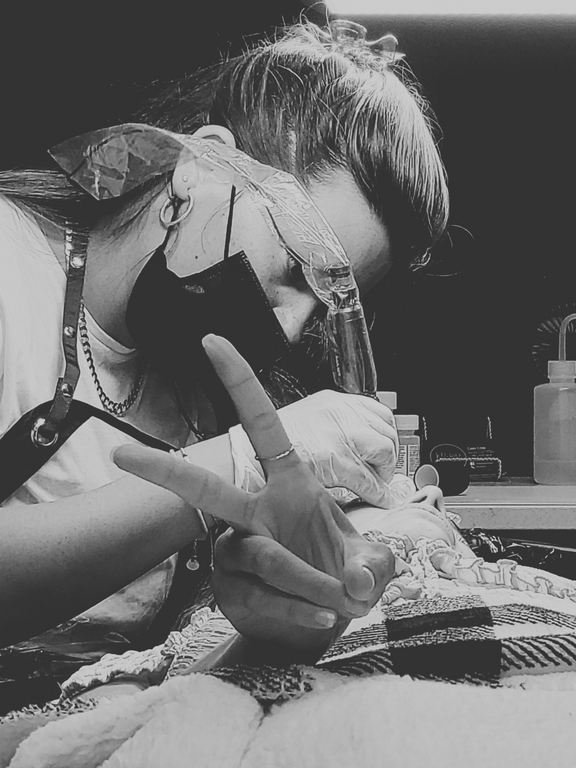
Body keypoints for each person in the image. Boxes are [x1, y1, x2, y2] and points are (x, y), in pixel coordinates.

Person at [0, 19, 448, 708]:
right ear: (202, 166)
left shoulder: (204, 394)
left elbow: (146, 673)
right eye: (295, 270)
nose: (292, 327)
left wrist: (270, 627)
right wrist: (224, 471)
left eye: (323, 307)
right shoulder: (10, 265)